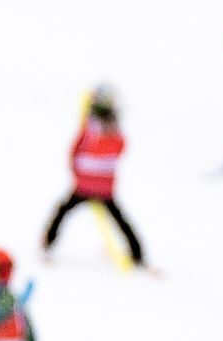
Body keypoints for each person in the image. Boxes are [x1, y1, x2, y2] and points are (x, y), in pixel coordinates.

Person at [41, 85, 145, 269]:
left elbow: (75, 152)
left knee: (62, 213)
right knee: (119, 220)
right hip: (100, 187)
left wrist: (77, 170)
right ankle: (138, 255)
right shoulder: (111, 129)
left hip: (87, 186)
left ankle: (47, 244)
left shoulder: (94, 129)